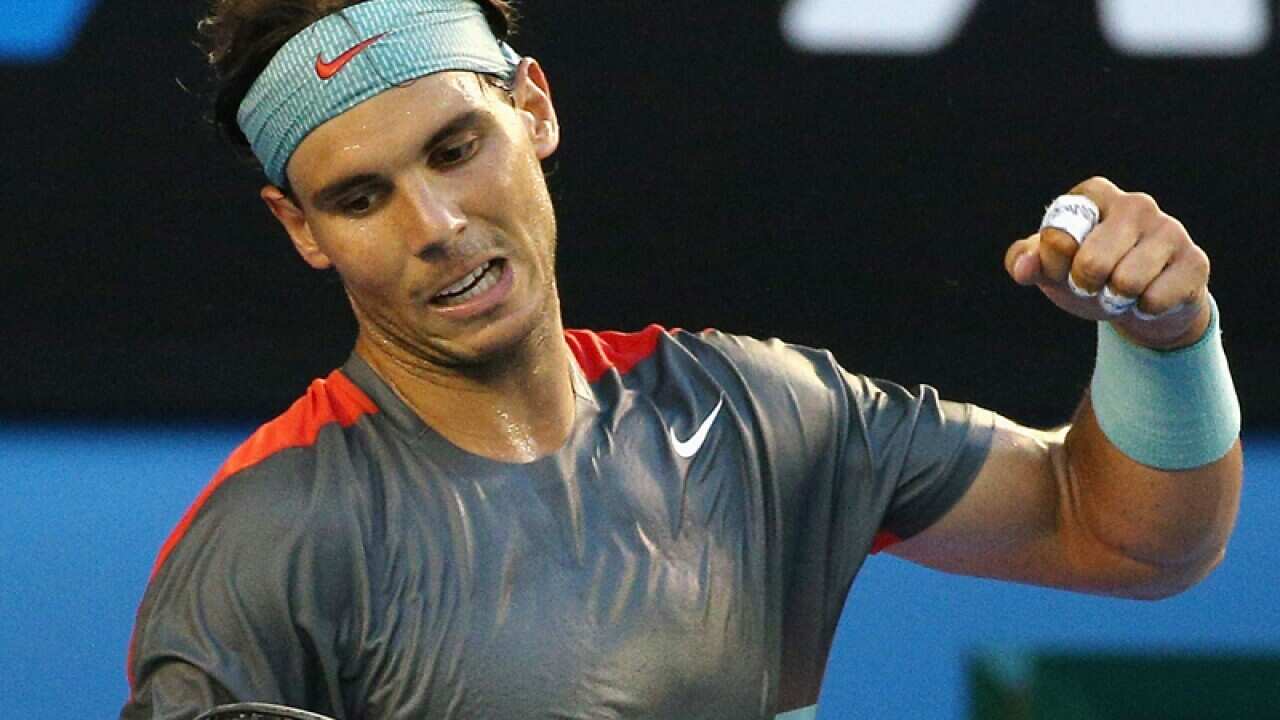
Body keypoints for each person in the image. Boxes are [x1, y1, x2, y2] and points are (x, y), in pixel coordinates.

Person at [120, 1, 1243, 718]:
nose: (436, 227)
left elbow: (1126, 536)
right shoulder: (269, 539)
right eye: (362, 199)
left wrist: (1162, 340)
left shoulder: (757, 417)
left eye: (456, 149)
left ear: (533, 110)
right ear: (302, 228)